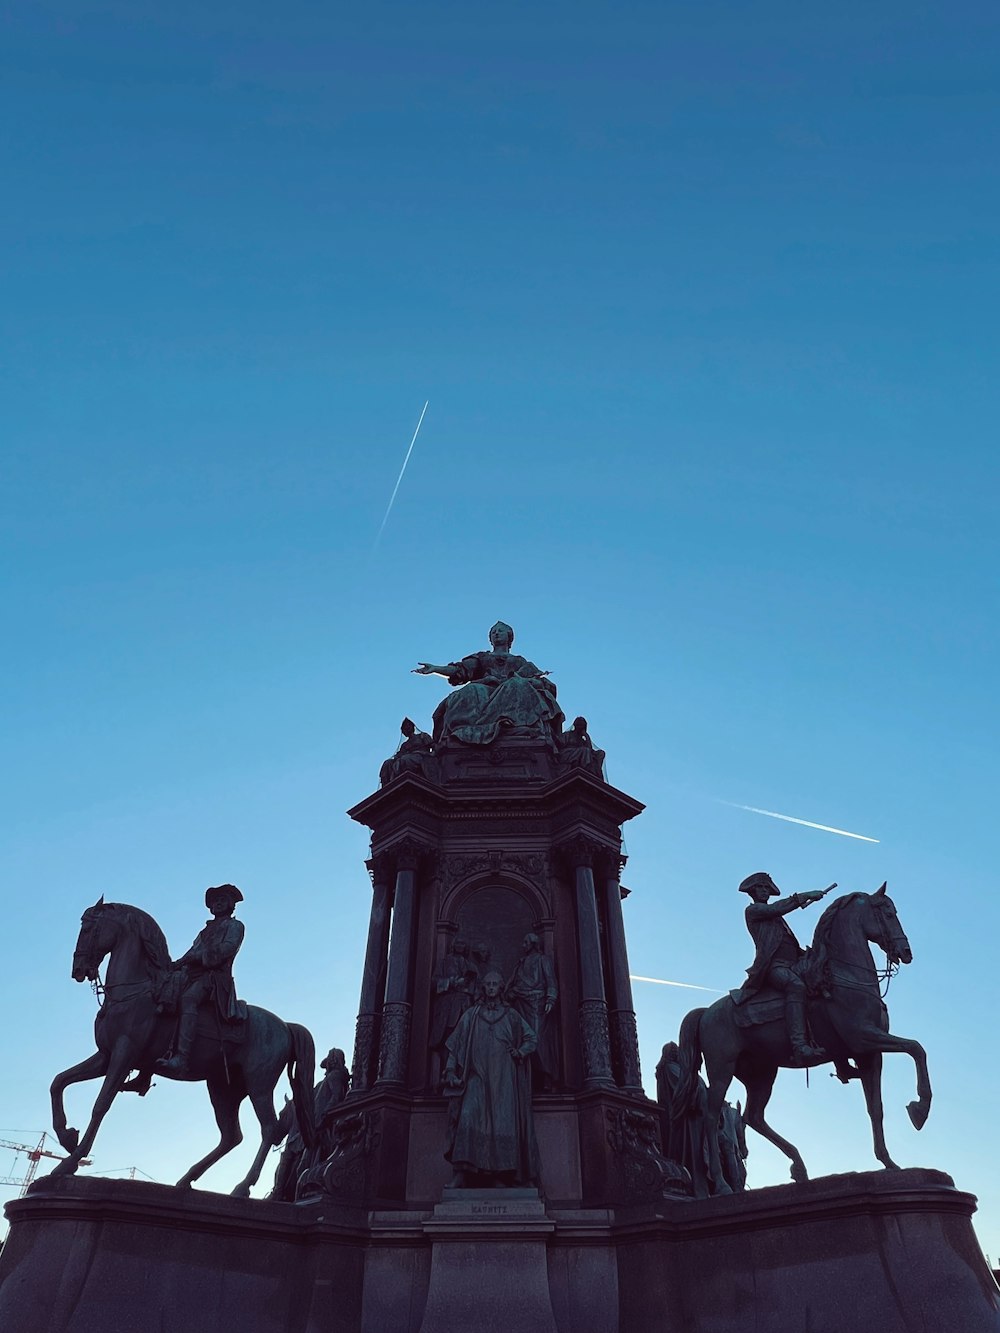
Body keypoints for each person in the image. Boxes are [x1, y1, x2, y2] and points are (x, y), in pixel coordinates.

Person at [443, 972, 539, 1186]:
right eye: (488, 984)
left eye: (495, 984)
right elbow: (455, 1046)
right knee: (468, 1116)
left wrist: (521, 1052)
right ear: (483, 988)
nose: (492, 987)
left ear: (501, 987)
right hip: (476, 1076)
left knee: (502, 1124)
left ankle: (500, 1174)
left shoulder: (512, 1015)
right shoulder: (471, 1015)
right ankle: (462, 1173)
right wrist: (450, 1071)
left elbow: (531, 1037)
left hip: (504, 1080)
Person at [413, 621, 563, 748]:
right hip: (485, 687)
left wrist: (528, 681)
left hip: (512, 689)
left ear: (509, 638)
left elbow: (539, 680)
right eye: (493, 632)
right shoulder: (482, 657)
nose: (496, 633)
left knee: (517, 684)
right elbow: (460, 670)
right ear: (490, 639)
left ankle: (510, 724)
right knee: (470, 690)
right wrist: (435, 669)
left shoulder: (520, 661)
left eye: (500, 631)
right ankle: (467, 729)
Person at [733, 871, 826, 1065]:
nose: (764, 891)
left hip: (793, 964)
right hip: (773, 967)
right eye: (760, 887)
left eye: (767, 888)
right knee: (796, 986)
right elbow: (776, 908)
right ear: (752, 892)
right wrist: (805, 895)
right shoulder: (753, 911)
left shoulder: (776, 918)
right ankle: (799, 1045)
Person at [157, 884, 245, 1076]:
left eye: (222, 900)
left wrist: (199, 957)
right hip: (193, 974)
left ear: (230, 904)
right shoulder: (205, 931)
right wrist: (176, 964)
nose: (218, 903)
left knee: (188, 999)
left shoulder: (234, 926)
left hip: (214, 978)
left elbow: (227, 949)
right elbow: (191, 952)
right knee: (163, 992)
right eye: (215, 901)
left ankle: (181, 1058)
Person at [269, 1048, 350, 1201]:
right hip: (313, 1126)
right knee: (292, 1159)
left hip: (320, 1127)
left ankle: (283, 1193)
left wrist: (323, 1118)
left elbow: (336, 1097)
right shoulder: (324, 1082)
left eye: (329, 1062)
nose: (327, 1067)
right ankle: (281, 1192)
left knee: (300, 1164)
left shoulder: (335, 1076)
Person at [505, 933, 559, 1089]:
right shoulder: (521, 962)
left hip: (537, 1004)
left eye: (526, 942)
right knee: (520, 1039)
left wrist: (550, 998)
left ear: (534, 944)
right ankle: (525, 1079)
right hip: (519, 1004)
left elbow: (551, 980)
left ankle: (546, 1077)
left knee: (537, 1040)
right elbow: (513, 981)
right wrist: (510, 993)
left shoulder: (543, 960)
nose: (523, 945)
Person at [429, 940, 477, 1052]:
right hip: (448, 1006)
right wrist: (451, 982)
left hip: (465, 1006)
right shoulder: (444, 962)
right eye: (458, 943)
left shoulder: (470, 965)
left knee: (465, 1038)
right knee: (448, 1038)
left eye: (463, 943)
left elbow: (477, 987)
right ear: (453, 945)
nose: (461, 946)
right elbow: (433, 982)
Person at [379, 717, 434, 786]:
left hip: (421, 756)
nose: (407, 728)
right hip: (408, 757)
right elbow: (399, 755)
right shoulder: (404, 745)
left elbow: (433, 746)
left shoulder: (422, 736)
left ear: (413, 727)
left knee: (404, 760)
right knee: (387, 763)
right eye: (404, 728)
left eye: (408, 726)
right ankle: (388, 786)